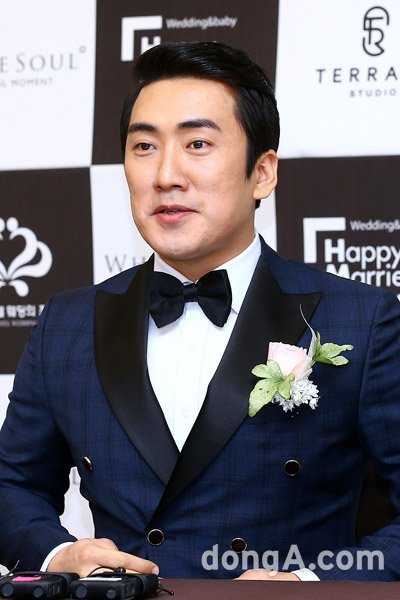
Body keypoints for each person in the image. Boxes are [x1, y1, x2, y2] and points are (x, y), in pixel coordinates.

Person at [0, 41, 400, 582]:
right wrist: (54, 554)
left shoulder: (362, 320)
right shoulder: (67, 324)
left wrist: (308, 585)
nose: (166, 174)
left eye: (198, 144)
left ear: (262, 172)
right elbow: (12, 485)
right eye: (144, 146)